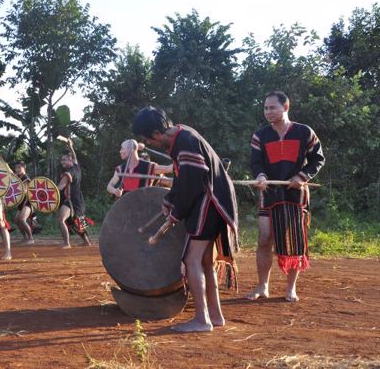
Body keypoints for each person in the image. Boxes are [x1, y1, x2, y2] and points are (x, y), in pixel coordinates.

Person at [132, 107, 239, 333]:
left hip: (209, 202)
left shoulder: (184, 141)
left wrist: (176, 212)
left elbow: (192, 183)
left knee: (192, 260)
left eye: (147, 139)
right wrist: (171, 200)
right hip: (214, 201)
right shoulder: (182, 134)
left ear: (155, 133)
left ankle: (202, 320)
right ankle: (215, 316)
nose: (149, 144)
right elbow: (183, 178)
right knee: (205, 263)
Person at [245, 91, 325, 302]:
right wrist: (260, 176)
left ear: (286, 107)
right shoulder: (259, 136)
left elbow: (317, 159)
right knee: (264, 239)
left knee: (293, 241)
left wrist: (302, 175)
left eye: (272, 107)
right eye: (265, 108)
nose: (268, 112)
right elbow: (256, 164)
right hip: (269, 192)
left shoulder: (304, 132)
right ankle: (263, 286)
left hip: (295, 194)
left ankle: (291, 288)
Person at [106, 139, 173, 198]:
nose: (120, 151)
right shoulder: (119, 169)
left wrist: (181, 159)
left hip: (145, 208)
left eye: (122, 148)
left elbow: (168, 168)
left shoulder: (149, 167)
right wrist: (114, 191)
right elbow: (109, 186)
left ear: (131, 150)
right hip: (126, 209)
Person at [57, 138, 91, 248]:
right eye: (61, 160)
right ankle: (86, 241)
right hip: (78, 201)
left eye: (64, 160)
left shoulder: (68, 173)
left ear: (70, 161)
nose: (62, 162)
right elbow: (75, 156)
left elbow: (60, 187)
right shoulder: (77, 167)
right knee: (76, 222)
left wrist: (48, 191)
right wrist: (71, 146)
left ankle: (67, 244)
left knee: (62, 219)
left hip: (71, 201)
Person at [13, 161, 36, 244]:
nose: (17, 169)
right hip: (20, 202)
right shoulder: (17, 178)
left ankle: (31, 238)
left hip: (27, 202)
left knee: (22, 219)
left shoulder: (25, 178)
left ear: (24, 167)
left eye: (19, 167)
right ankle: (25, 237)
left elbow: (26, 191)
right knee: (16, 220)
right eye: (16, 168)